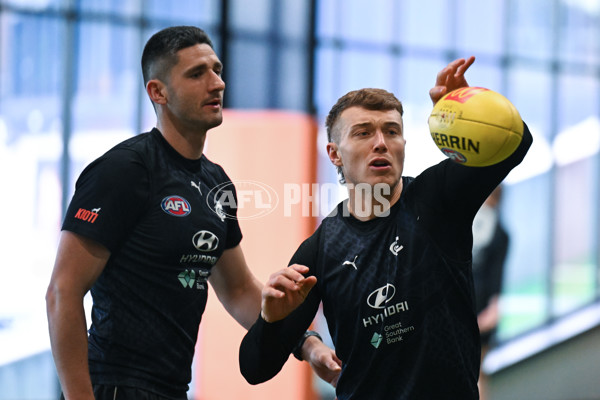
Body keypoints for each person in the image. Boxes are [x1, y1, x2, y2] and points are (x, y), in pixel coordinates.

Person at [45, 25, 340, 400]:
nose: (216, 83)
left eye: (217, 70)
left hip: (173, 389)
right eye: (197, 74)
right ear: (158, 92)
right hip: (116, 386)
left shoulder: (216, 183)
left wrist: (307, 343)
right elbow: (62, 292)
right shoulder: (123, 171)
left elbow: (238, 290)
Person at [239, 57, 533, 399]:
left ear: (403, 145)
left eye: (391, 131)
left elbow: (516, 144)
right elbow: (255, 368)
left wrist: (473, 114)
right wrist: (271, 319)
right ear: (334, 154)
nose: (381, 142)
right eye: (363, 133)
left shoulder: (436, 198)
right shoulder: (320, 249)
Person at [472, 185, 509, 400]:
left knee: (475, 375)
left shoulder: (499, 234)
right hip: (468, 307)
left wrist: (489, 315)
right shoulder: (476, 224)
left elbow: (496, 279)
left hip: (480, 314)